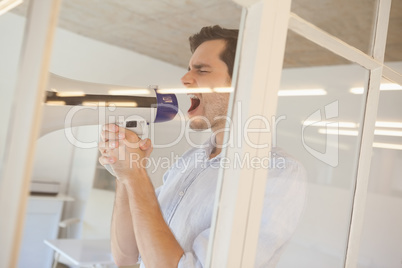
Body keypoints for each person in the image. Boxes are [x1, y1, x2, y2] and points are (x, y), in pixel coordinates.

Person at [98, 25, 306, 268]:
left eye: (202, 70)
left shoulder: (278, 172)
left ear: (244, 83)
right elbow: (126, 257)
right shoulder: (190, 161)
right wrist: (124, 172)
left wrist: (136, 176)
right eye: (188, 69)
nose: (185, 79)